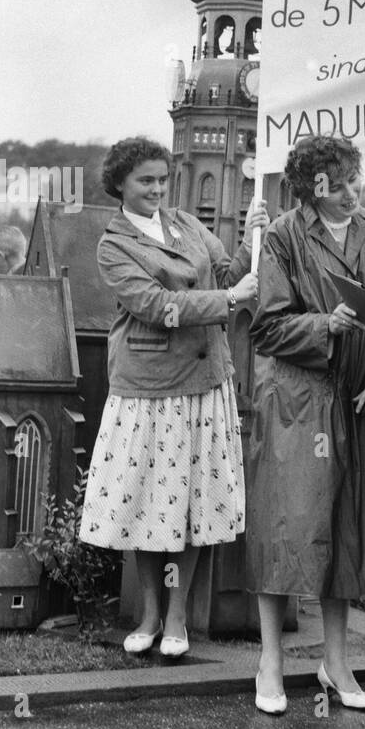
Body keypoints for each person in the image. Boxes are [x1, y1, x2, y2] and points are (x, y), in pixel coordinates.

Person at [79, 137, 262, 658]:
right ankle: (150, 614)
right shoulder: (113, 244)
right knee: (149, 502)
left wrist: (252, 235)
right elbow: (157, 306)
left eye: (162, 179)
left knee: (194, 504)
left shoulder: (186, 223)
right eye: (145, 181)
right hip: (150, 388)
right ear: (120, 184)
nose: (157, 189)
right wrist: (227, 299)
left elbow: (229, 273)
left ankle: (178, 616)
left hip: (206, 383)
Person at [247, 138, 365, 716]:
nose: (348, 193)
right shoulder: (284, 236)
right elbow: (265, 328)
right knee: (284, 527)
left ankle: (335, 663)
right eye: (334, 185)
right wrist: (326, 324)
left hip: (357, 399)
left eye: (353, 181)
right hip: (298, 401)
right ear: (308, 188)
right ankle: (270, 660)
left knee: (346, 529)